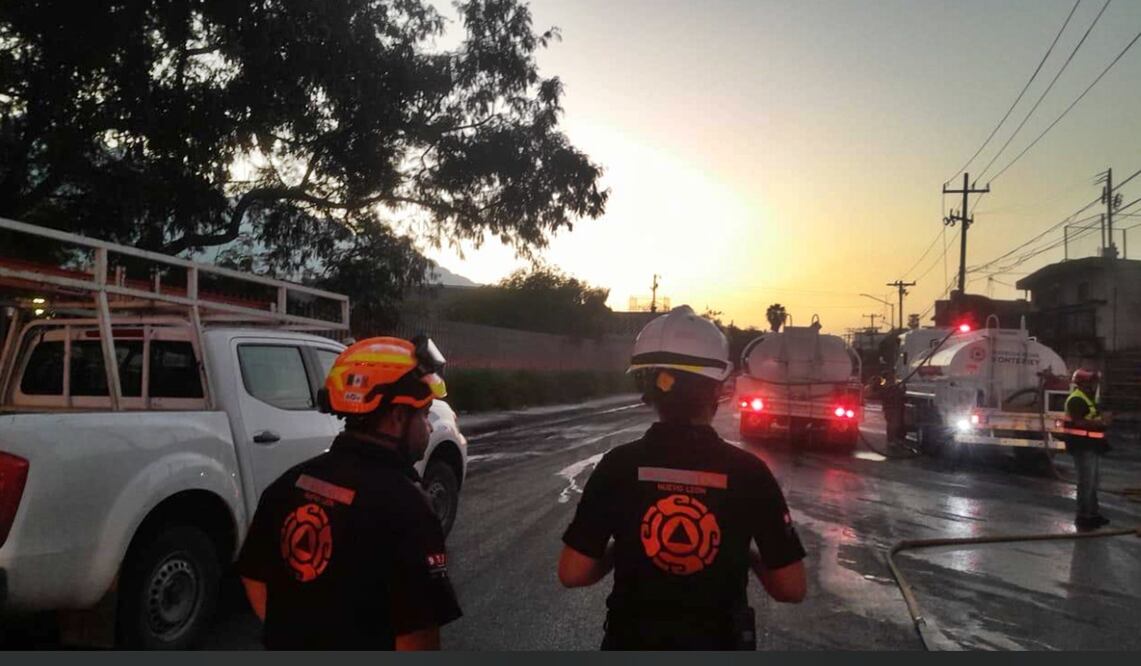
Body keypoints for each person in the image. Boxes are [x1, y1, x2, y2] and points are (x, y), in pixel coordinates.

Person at [557, 305, 807, 650]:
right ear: (719, 388)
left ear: (648, 387)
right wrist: (743, 553)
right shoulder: (750, 474)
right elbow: (791, 588)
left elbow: (573, 573)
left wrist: (625, 547)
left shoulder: (618, 466)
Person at [237, 336, 461, 649]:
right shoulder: (409, 509)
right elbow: (418, 636)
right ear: (397, 417)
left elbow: (254, 576)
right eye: (423, 415)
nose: (427, 428)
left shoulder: (289, 483)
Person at [1063, 368, 1110, 531]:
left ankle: (1093, 514)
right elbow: (1079, 421)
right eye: (1091, 382)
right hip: (1082, 446)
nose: (1094, 385)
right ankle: (1084, 517)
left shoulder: (1087, 398)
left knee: (1093, 482)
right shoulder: (1076, 399)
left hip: (1092, 445)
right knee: (1086, 483)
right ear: (1082, 383)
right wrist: (1100, 423)